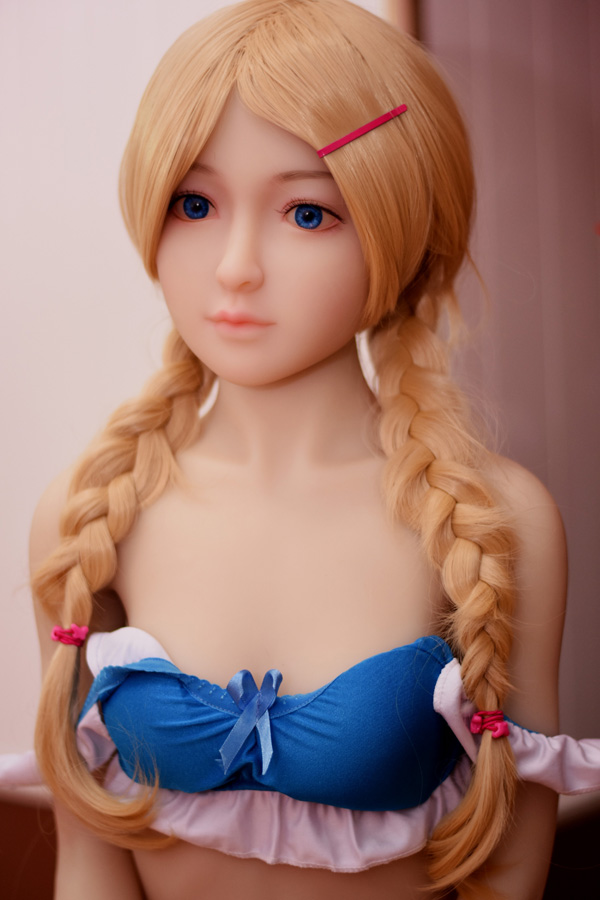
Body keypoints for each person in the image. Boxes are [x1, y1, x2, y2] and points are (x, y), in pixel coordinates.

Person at [7, 0, 598, 898]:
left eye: (308, 214)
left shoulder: (499, 521)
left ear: (400, 228)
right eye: (195, 204)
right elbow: (89, 859)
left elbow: (512, 869)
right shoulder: (88, 513)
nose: (236, 265)